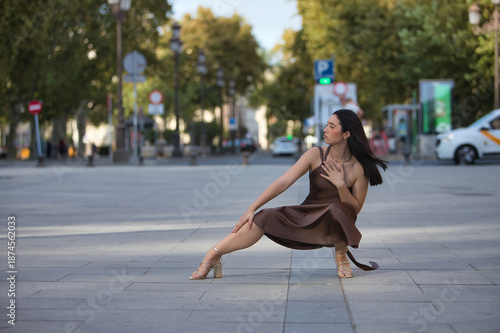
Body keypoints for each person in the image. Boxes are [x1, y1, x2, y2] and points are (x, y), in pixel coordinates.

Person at [189, 109, 388, 280]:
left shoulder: (359, 169)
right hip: (309, 215)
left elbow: (355, 210)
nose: (325, 130)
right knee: (263, 217)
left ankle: (341, 253)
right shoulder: (316, 154)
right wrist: (252, 208)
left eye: (332, 126)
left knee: (337, 208)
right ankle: (213, 255)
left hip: (336, 221)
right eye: (326, 125)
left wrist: (340, 186)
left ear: (346, 134)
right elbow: (283, 181)